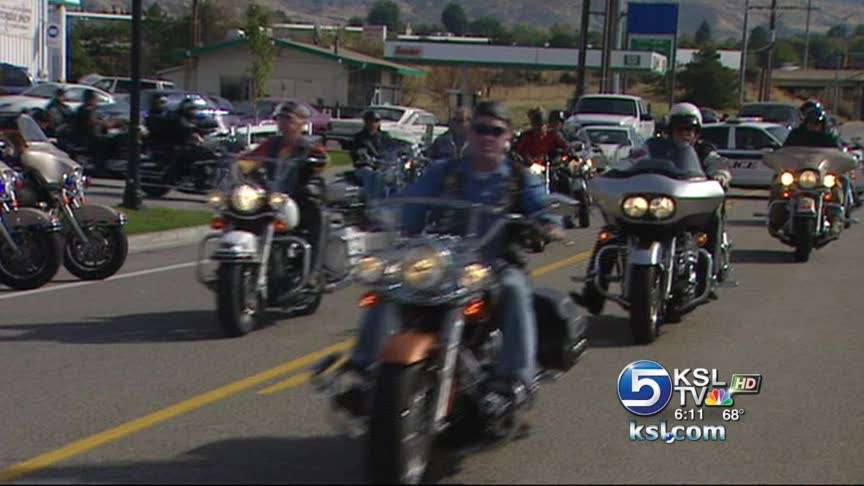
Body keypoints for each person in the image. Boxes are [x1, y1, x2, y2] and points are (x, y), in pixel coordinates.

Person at [335, 101, 564, 422]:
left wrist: (548, 224)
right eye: (481, 129)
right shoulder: (445, 171)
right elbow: (410, 204)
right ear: (470, 132)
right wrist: (381, 215)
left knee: (515, 288)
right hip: (441, 260)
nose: (487, 137)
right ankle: (363, 371)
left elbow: (544, 209)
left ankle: (518, 379)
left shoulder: (517, 177)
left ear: (508, 136)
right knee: (388, 285)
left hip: (492, 262)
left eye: (495, 131)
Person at [578, 103, 732, 313]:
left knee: (712, 218)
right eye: (680, 129)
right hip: (651, 206)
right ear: (670, 130)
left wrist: (720, 175)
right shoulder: (652, 147)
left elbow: (717, 164)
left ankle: (710, 276)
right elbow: (632, 160)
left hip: (684, 209)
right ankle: (593, 293)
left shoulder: (704, 150)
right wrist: (612, 171)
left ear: (696, 132)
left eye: (690, 130)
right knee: (612, 232)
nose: (685, 135)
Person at [244, 101, 329, 286]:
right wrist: (239, 165)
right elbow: (249, 160)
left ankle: (313, 273)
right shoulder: (272, 144)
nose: (283, 122)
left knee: (319, 217)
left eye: (288, 118)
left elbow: (322, 159)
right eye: (280, 118)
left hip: (299, 196)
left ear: (302, 123)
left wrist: (317, 161)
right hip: (270, 196)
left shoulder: (309, 145)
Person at [773, 107, 847, 237]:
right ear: (806, 123)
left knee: (837, 187)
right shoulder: (796, 134)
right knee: (778, 182)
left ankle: (837, 219)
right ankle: (774, 215)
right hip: (798, 173)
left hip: (821, 174)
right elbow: (785, 150)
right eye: (811, 123)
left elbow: (838, 153)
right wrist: (779, 157)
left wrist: (839, 162)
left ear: (822, 124)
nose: (813, 126)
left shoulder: (829, 137)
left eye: (817, 123)